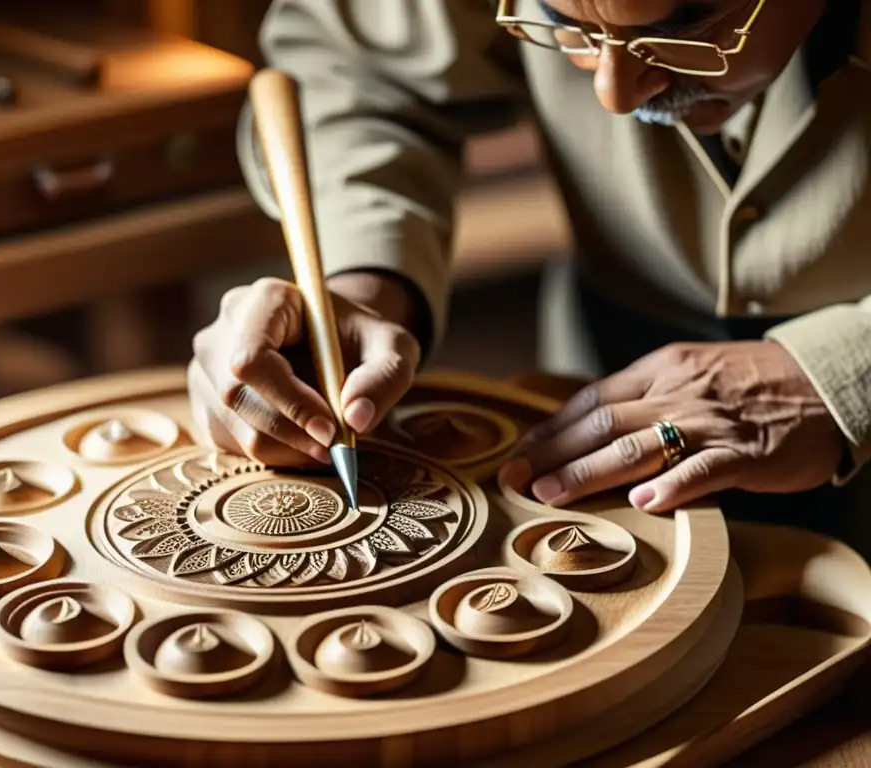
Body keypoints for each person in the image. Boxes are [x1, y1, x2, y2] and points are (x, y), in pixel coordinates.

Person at [189, 0, 871, 555]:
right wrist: (362, 283)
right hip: (597, 388)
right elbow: (356, 68)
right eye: (566, 24)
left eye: (684, 29)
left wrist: (845, 375)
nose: (614, 91)